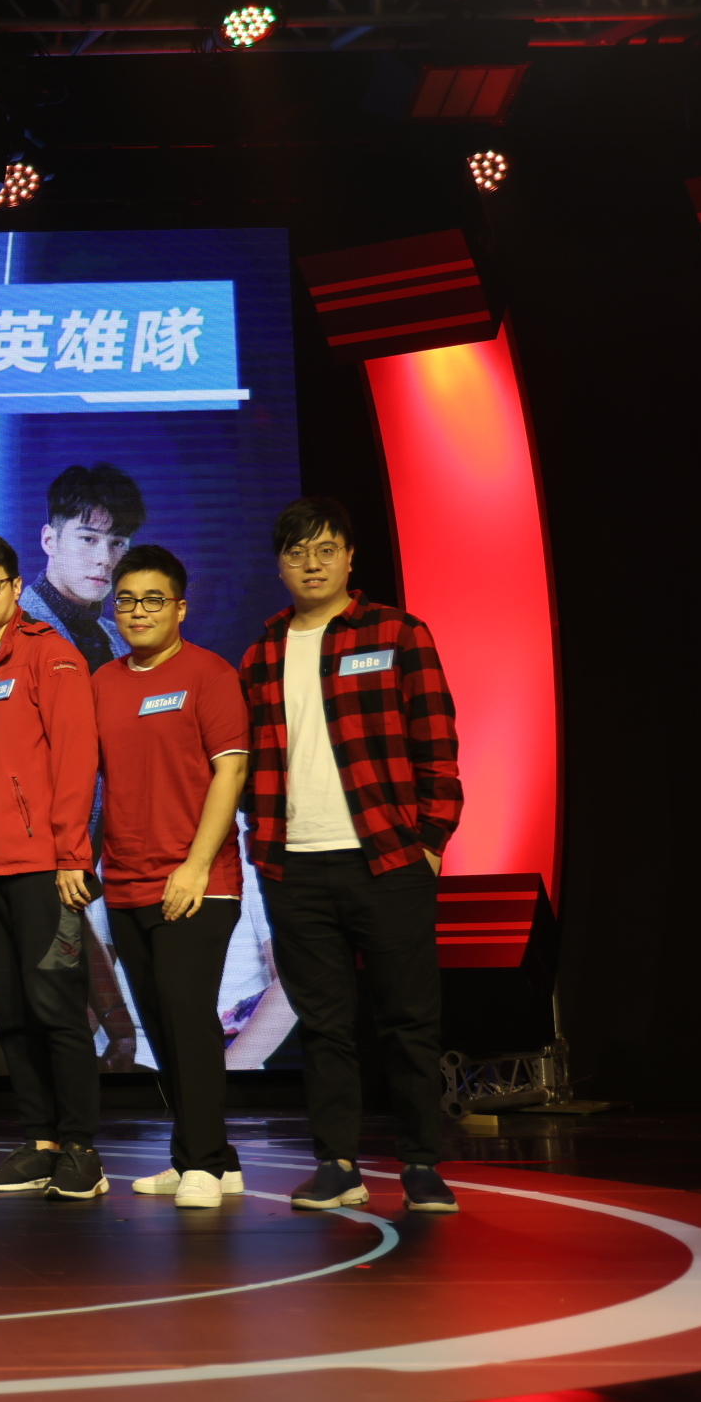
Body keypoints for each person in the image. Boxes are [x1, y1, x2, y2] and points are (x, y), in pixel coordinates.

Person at [241, 498, 463, 1216]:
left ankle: (422, 1163)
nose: (312, 564)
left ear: (349, 557)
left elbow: (437, 740)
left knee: (408, 1021)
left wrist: (431, 841)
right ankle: (336, 1164)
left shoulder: (397, 633)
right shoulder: (262, 652)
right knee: (324, 1025)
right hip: (294, 865)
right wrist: (263, 848)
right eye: (297, 552)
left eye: (325, 549)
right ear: (280, 565)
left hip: (387, 857)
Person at [0, 529, 105, 1201]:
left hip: (43, 866)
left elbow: (76, 758)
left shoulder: (49, 655)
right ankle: (41, 1143)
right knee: (10, 1012)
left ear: (14, 586)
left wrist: (71, 855)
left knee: (56, 1006)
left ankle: (81, 1149)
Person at [91, 545, 251, 1210]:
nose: (138, 611)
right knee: (161, 1029)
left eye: (153, 599)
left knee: (189, 1021)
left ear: (180, 607)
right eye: (126, 600)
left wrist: (195, 865)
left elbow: (231, 771)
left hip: (196, 882)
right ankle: (207, 1156)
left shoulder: (209, 674)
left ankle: (203, 1163)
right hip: (126, 883)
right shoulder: (102, 682)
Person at [18, 463, 145, 672]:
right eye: (88, 539)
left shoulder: (125, 642)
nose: (105, 559)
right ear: (50, 541)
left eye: (117, 543)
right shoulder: (6, 636)